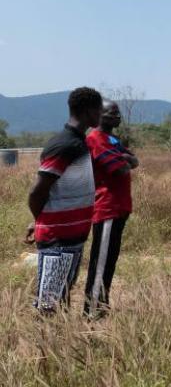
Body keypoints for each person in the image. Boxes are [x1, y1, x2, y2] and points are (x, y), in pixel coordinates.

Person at [27, 87, 102, 313]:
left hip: (72, 238)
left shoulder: (79, 143)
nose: (100, 114)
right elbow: (37, 193)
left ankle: (60, 341)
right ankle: (43, 345)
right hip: (57, 240)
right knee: (49, 304)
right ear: (89, 111)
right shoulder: (64, 145)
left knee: (63, 294)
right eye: (98, 110)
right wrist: (40, 220)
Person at [83, 99, 139, 318]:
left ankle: (102, 305)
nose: (118, 117)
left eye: (118, 113)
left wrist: (127, 158)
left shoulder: (112, 139)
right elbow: (120, 168)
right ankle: (92, 312)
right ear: (100, 115)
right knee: (100, 263)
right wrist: (126, 159)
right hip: (106, 208)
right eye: (112, 113)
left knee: (110, 260)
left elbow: (134, 161)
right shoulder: (95, 139)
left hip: (119, 208)